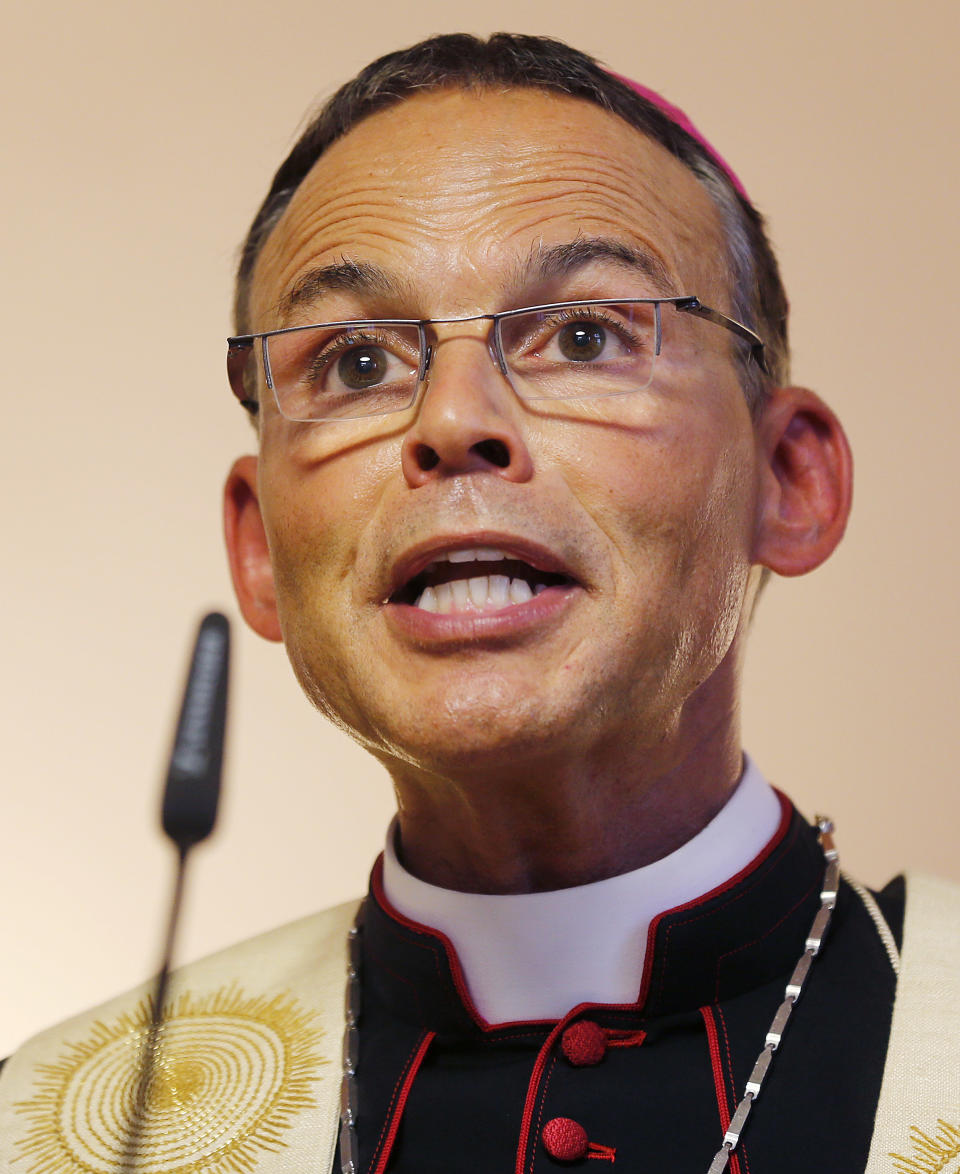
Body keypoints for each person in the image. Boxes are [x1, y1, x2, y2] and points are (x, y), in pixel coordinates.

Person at [1, 32, 957, 1174]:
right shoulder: (52, 1126)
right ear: (259, 550)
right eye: (358, 363)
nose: (451, 422)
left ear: (789, 481)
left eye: (585, 335)